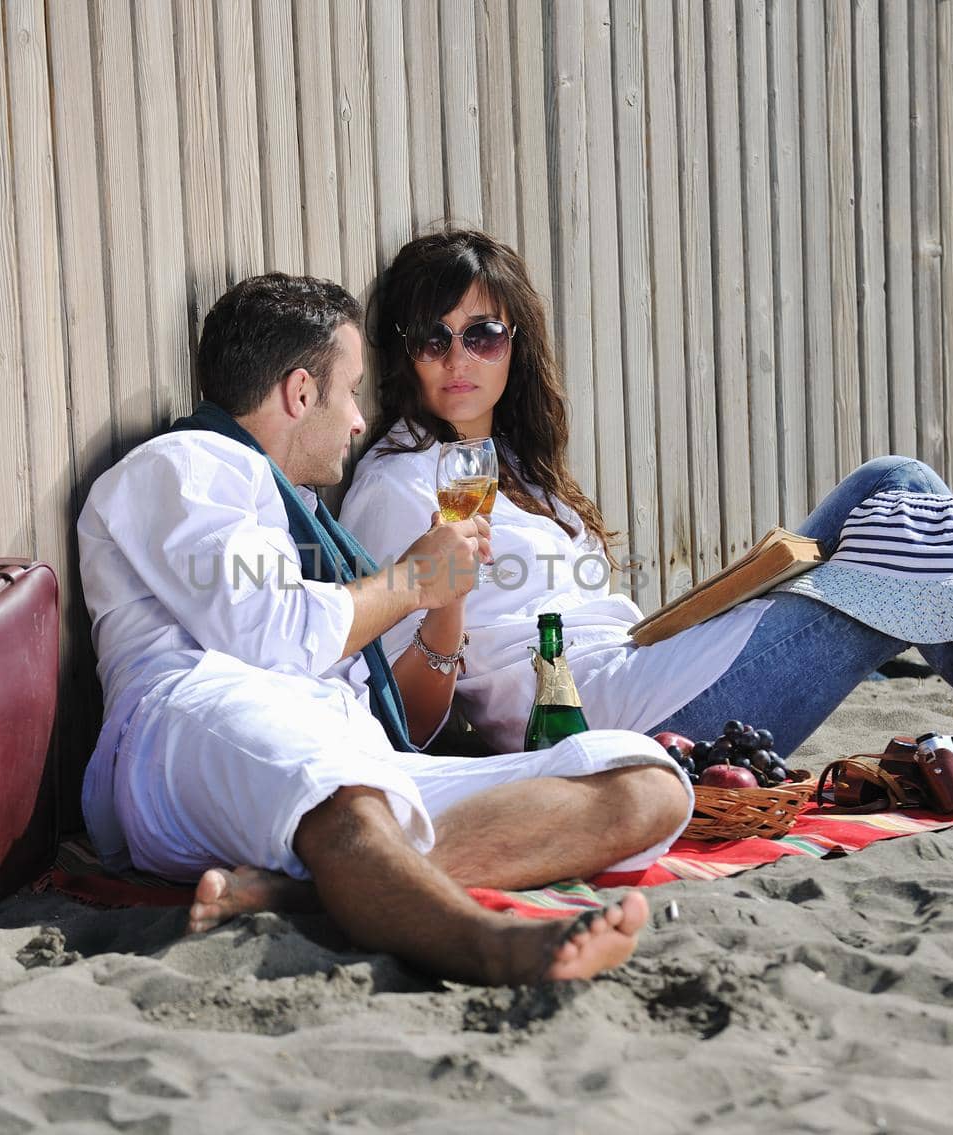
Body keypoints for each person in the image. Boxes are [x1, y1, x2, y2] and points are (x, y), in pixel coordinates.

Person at [340, 228, 953, 795]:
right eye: (434, 337)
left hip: (652, 662)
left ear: (515, 344)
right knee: (906, 527)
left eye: (482, 333)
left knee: (892, 481)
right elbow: (410, 713)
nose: (460, 358)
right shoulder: (398, 484)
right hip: (625, 731)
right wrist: (444, 602)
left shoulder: (522, 465)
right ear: (403, 355)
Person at [76, 272, 697, 986]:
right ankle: (495, 945)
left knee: (646, 783)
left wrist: (443, 602)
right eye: (350, 391)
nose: (358, 419)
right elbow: (268, 635)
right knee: (344, 793)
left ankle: (306, 892)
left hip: (330, 745)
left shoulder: (302, 516)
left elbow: (403, 717)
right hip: (191, 724)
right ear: (300, 392)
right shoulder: (181, 465)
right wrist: (405, 582)